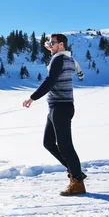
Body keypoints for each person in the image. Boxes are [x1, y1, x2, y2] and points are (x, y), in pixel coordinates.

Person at [22, 34, 87, 196]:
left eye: (53, 43)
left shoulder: (59, 60)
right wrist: (51, 46)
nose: (50, 45)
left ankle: (78, 182)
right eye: (48, 43)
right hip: (57, 107)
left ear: (61, 44)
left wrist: (33, 97)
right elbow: (72, 67)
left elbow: (50, 80)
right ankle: (75, 171)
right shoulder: (68, 59)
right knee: (48, 143)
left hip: (61, 107)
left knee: (65, 146)